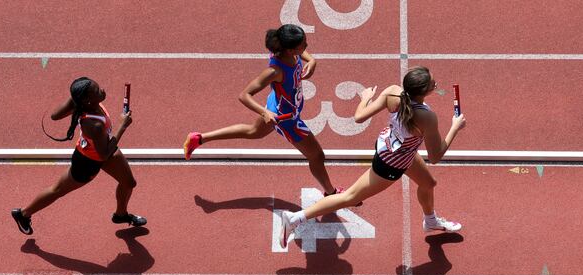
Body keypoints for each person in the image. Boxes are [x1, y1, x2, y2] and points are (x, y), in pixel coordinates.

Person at [277, 66, 466, 248]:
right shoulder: (428, 117)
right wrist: (455, 128)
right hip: (392, 163)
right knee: (349, 197)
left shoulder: (393, 92)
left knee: (428, 183)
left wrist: (366, 98)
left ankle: (430, 221)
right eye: (434, 83)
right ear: (424, 91)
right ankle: (294, 218)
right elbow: (435, 156)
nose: (436, 84)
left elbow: (359, 117)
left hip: (394, 148)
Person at [183, 24, 343, 197]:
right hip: (286, 119)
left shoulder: (287, 51)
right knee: (317, 156)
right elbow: (244, 95)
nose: (307, 46)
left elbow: (302, 54)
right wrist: (265, 112)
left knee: (253, 131)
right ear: (290, 50)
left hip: (277, 104)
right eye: (303, 44)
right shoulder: (274, 71)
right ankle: (331, 193)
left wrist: (312, 60)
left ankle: (198, 139)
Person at [11, 76, 146, 235]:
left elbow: (55, 116)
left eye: (98, 86)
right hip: (88, 161)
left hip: (105, 145)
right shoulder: (93, 124)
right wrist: (122, 125)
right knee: (58, 190)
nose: (102, 90)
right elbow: (102, 155)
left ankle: (120, 215)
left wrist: (75, 99)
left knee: (129, 182)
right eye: (97, 90)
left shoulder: (86, 104)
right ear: (88, 100)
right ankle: (23, 214)